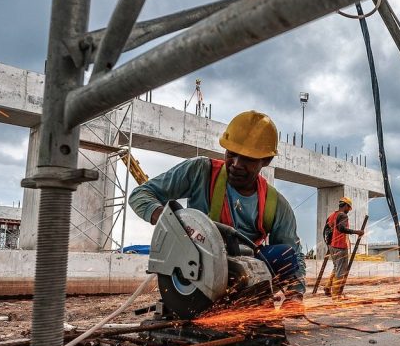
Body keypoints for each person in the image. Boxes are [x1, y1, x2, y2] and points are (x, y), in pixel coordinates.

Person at [129, 110, 306, 316]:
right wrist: (171, 224)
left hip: (242, 274)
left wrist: (295, 295)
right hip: (198, 268)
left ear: (265, 160)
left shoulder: (275, 204)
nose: (236, 164)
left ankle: (246, 301)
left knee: (284, 253)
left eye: (247, 159)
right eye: (231, 154)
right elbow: (140, 194)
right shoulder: (200, 172)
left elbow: (294, 255)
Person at [324, 197, 364, 299]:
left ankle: (328, 287)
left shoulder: (332, 215)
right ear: (346, 205)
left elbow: (325, 231)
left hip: (332, 246)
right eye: (349, 208)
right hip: (340, 246)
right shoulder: (343, 215)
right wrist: (357, 232)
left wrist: (329, 244)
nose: (348, 210)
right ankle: (336, 295)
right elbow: (341, 228)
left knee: (336, 267)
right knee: (341, 271)